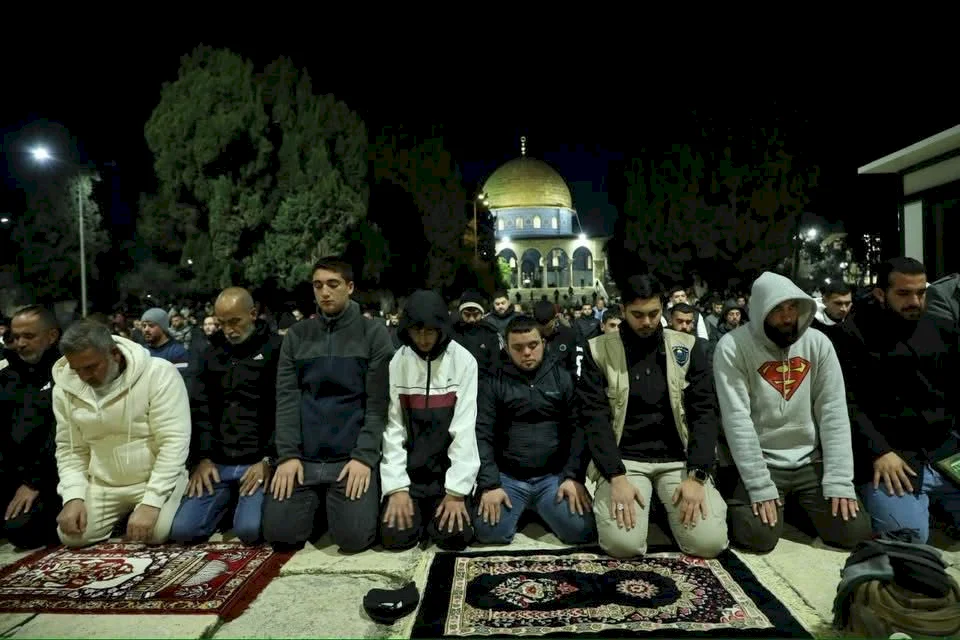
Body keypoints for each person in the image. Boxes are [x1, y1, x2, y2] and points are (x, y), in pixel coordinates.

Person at [714, 272, 870, 552]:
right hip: (763, 460)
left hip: (811, 461)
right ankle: (766, 501)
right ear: (761, 310)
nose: (787, 318)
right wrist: (759, 485)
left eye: (792, 308)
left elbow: (833, 412)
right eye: (777, 310)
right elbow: (737, 421)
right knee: (758, 536)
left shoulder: (818, 343)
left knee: (854, 532)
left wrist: (839, 480)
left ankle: (797, 506)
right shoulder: (732, 347)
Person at [577, 274, 728, 558]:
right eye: (637, 315)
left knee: (708, 544)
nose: (646, 322)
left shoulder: (688, 346)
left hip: (678, 459)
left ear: (663, 308)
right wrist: (615, 476)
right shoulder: (599, 350)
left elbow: (704, 412)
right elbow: (594, 418)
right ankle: (651, 502)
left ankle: (660, 504)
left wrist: (697, 476)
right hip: (626, 462)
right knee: (623, 545)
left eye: (653, 314)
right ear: (622, 310)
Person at [264, 257, 394, 552]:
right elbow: (287, 399)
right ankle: (318, 508)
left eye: (333, 285)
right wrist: (287, 456)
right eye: (318, 285)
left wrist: (364, 457)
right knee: (280, 535)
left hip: (349, 459)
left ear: (349, 287)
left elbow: (378, 404)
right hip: (305, 459)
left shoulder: (373, 333)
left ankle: (332, 507)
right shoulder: (297, 335)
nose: (324, 292)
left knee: (354, 539)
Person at [837, 258, 960, 543]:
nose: (914, 301)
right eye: (904, 294)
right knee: (910, 538)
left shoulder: (943, 329)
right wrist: (878, 451)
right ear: (881, 294)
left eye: (921, 292)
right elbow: (847, 402)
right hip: (891, 458)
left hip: (943, 450)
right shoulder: (854, 335)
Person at [53, 320, 190, 547]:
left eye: (91, 367)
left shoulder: (158, 372)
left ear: (114, 354)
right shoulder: (64, 388)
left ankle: (142, 512)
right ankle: (125, 519)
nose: (84, 377)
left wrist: (152, 501)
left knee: (156, 534)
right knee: (71, 536)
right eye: (77, 370)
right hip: (103, 484)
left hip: (151, 479)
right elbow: (70, 449)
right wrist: (73, 496)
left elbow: (174, 442)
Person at [169, 288, 282, 545]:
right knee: (183, 531)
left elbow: (284, 410)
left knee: (249, 531)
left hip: (257, 460)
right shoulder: (210, 354)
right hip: (218, 462)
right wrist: (201, 459)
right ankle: (227, 502)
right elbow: (200, 408)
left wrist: (270, 458)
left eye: (235, 321)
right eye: (222, 323)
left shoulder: (276, 349)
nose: (229, 330)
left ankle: (242, 504)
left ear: (252, 314)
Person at [474, 316, 596, 545]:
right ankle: (529, 509)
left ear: (544, 343)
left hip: (552, 478)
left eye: (533, 345)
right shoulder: (492, 381)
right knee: (489, 533)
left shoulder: (563, 377)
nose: (527, 353)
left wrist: (573, 476)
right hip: (508, 477)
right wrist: (490, 484)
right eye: (518, 348)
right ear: (506, 348)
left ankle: (537, 508)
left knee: (581, 531)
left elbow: (578, 430)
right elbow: (482, 435)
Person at [380, 290, 480, 551]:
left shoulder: (464, 361)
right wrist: (396, 488)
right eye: (416, 331)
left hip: (444, 477)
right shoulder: (397, 363)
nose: (423, 339)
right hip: (411, 478)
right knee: (395, 537)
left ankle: (434, 514)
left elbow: (465, 430)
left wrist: (457, 492)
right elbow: (393, 430)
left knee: (454, 537)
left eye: (430, 331)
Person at [0, 306, 62, 548]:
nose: (20, 344)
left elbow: (64, 435)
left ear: (51, 336)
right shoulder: (8, 376)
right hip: (12, 475)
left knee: (22, 530)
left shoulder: (69, 371)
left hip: (49, 476)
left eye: (28, 336)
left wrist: (33, 482)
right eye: (15, 337)